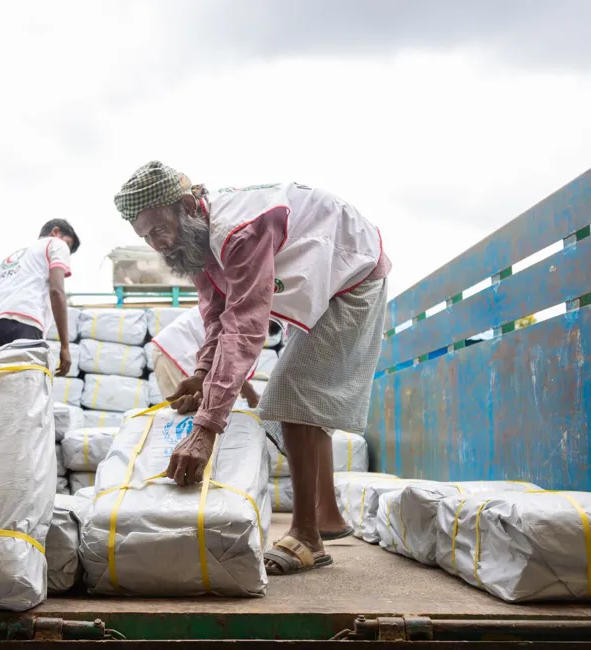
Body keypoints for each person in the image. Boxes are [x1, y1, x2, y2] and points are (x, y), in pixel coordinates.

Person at [113, 162, 391, 576]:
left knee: (289, 395)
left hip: (353, 275)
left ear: (187, 205)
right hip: (326, 283)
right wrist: (202, 373)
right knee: (302, 400)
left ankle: (307, 538)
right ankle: (328, 518)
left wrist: (206, 430)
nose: (157, 244)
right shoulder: (195, 247)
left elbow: (245, 329)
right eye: (146, 237)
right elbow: (216, 318)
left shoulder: (238, 231)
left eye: (158, 230)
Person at [0, 219, 80, 375]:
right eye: (68, 245)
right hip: (25, 322)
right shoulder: (56, 244)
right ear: (55, 232)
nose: (67, 251)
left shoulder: (12, 257)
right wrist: (65, 347)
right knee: (26, 388)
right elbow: (56, 290)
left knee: (0, 388)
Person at [151, 306, 263, 407]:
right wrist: (251, 394)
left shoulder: (252, 315)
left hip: (178, 346)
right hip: (178, 349)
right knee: (191, 411)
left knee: (190, 414)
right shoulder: (250, 319)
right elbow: (229, 361)